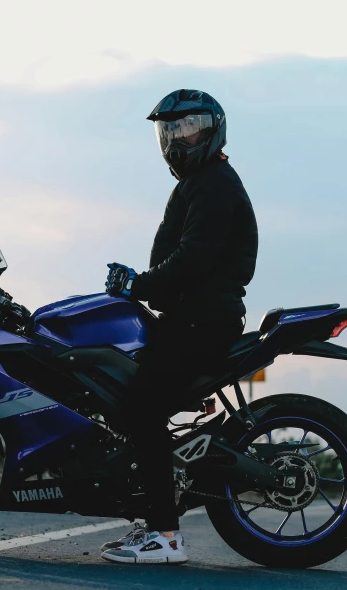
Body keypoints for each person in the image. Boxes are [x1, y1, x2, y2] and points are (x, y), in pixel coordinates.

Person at [100, 89, 259, 565]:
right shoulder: (198, 183)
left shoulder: (214, 183)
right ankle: (150, 519)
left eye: (187, 127)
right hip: (189, 318)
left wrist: (140, 282)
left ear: (212, 130)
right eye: (168, 131)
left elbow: (193, 258)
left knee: (142, 409)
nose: (176, 139)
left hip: (202, 323)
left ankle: (166, 537)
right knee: (127, 400)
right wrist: (138, 285)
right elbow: (181, 260)